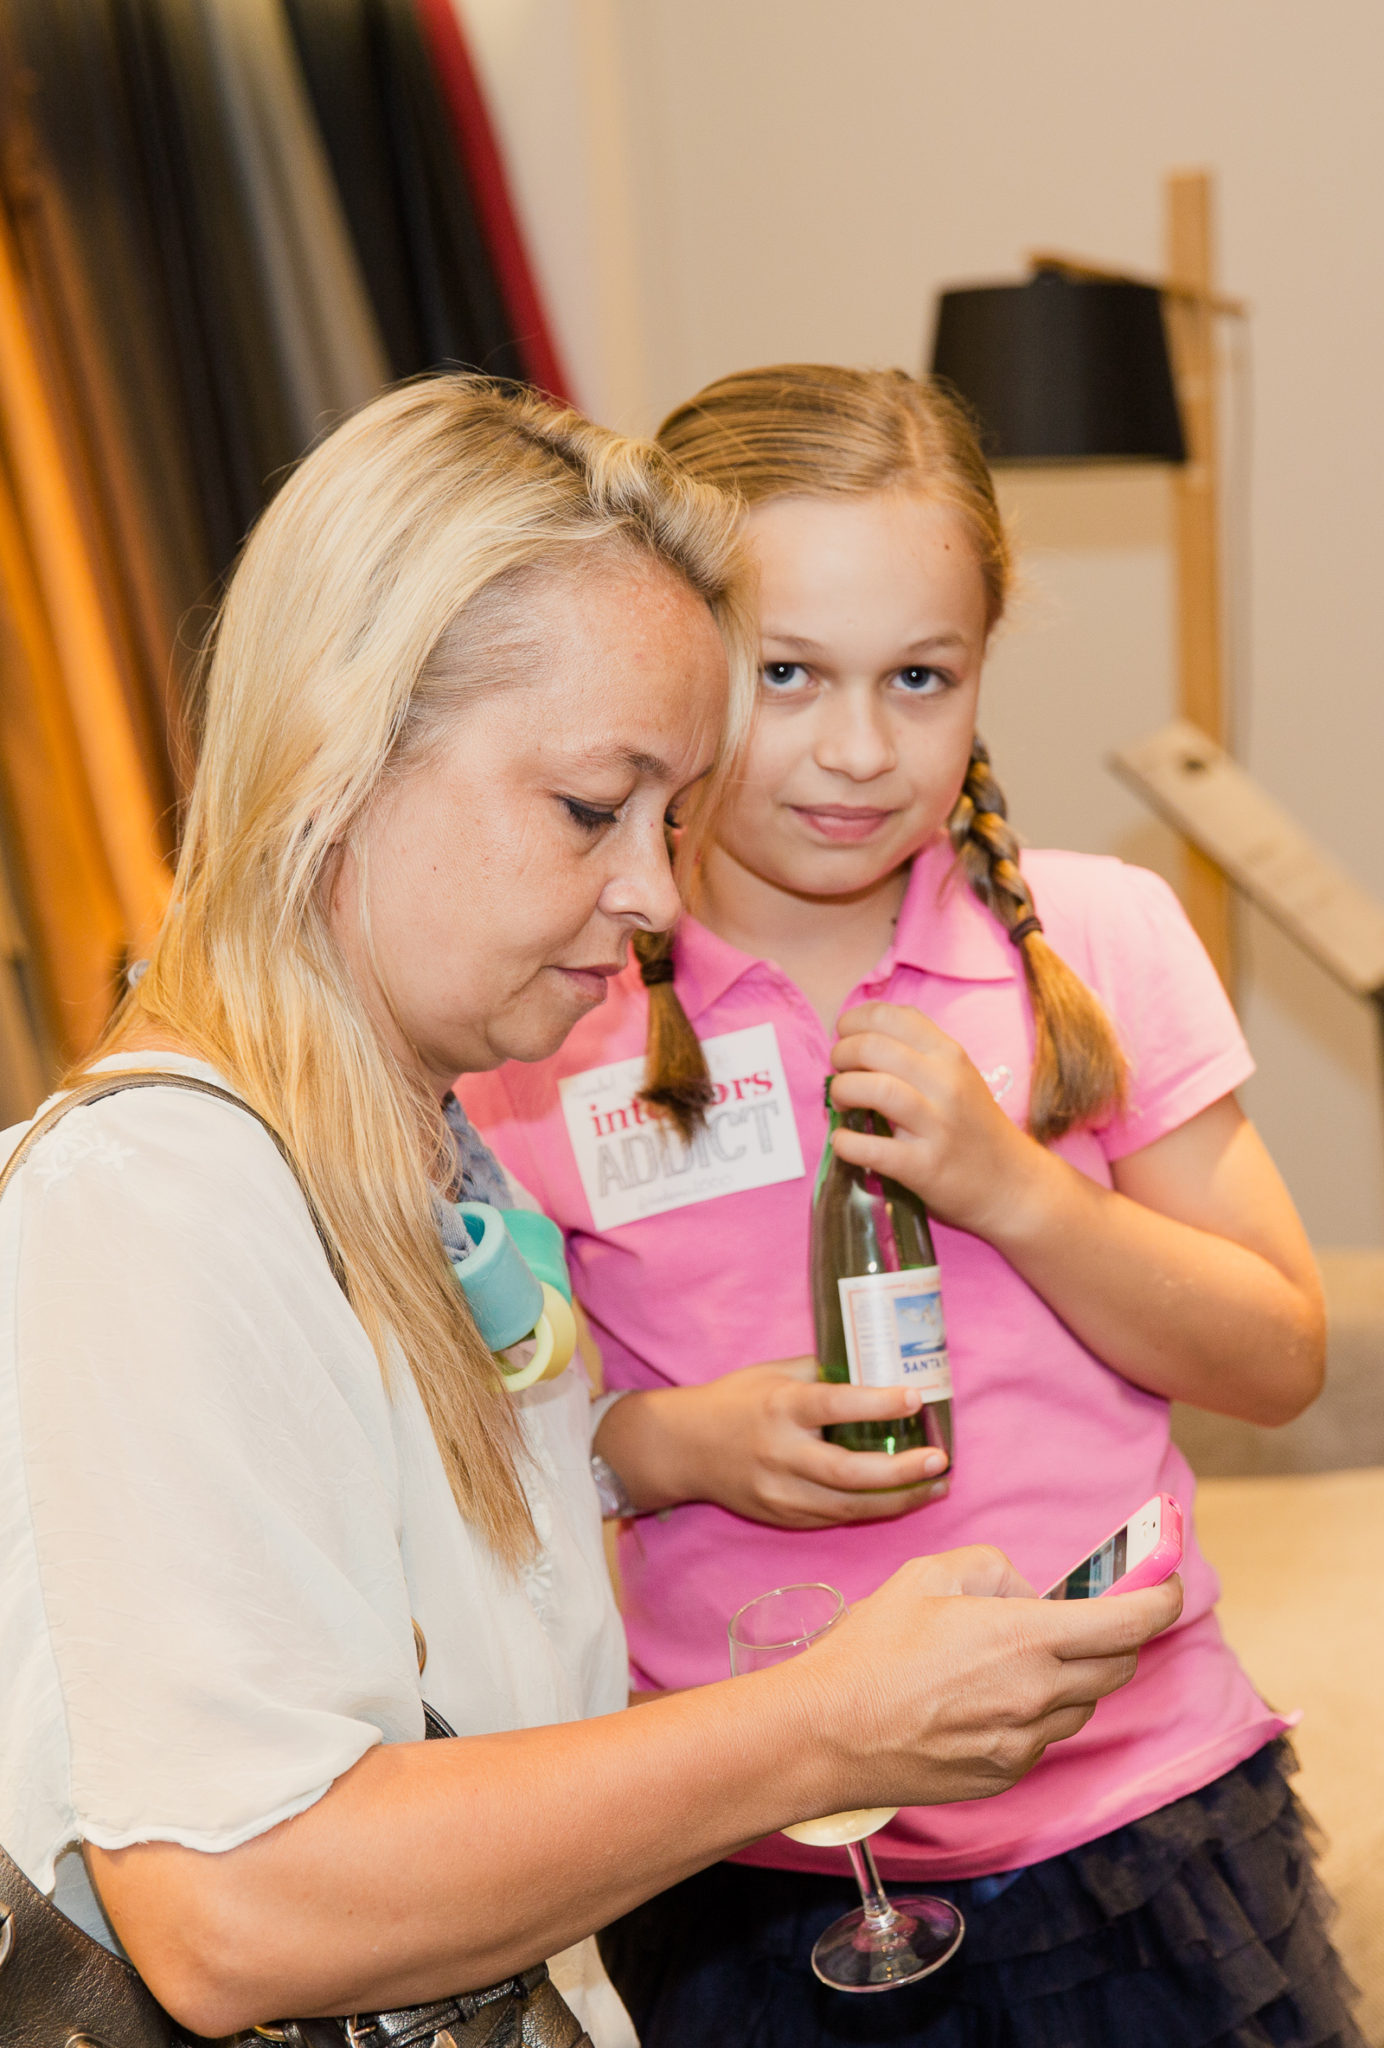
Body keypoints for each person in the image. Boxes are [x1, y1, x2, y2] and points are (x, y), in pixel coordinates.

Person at [0, 375, 1179, 2048]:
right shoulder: (154, 1201)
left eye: (673, 819)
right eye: (587, 809)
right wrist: (821, 1731)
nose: (649, 896)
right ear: (344, 746)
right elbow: (237, 1907)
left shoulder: (430, 1146)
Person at [458, 365, 1362, 2047]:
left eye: (920, 677)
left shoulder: (1097, 938)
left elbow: (1281, 1354)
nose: (859, 750)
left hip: (1142, 1819)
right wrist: (670, 1446)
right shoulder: (544, 1010)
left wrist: (1020, 1191)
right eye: (786, 674)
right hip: (750, 1858)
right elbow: (470, 1441)